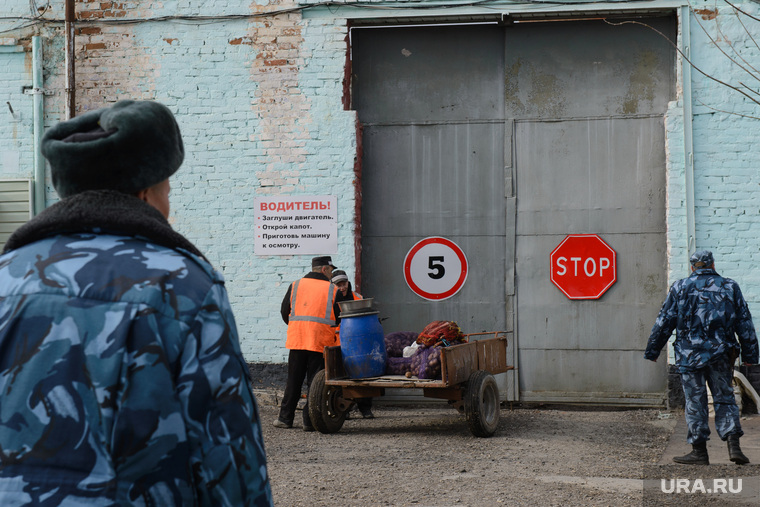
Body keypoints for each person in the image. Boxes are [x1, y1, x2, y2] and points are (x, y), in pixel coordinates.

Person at [0, 100, 273, 505]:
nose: (169, 205)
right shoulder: (182, 286)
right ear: (145, 194)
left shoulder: (6, 276)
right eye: (167, 189)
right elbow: (225, 449)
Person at [645, 250, 759, 465]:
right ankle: (734, 446)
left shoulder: (680, 287)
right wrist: (751, 356)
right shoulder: (730, 286)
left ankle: (699, 452)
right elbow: (744, 322)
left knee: (694, 401)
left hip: (690, 355)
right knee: (725, 398)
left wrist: (653, 351)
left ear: (692, 267)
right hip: (722, 354)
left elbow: (665, 321)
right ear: (712, 264)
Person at [276, 255, 342, 431]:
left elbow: (284, 311)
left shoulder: (296, 285)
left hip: (297, 340)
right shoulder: (332, 289)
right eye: (331, 270)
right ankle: (309, 421)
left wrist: (299, 327)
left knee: (293, 380)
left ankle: (285, 418)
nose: (331, 274)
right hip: (320, 342)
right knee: (315, 383)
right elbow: (340, 316)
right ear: (324, 269)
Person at [331, 269, 374, 419]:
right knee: (341, 378)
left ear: (348, 283)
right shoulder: (330, 300)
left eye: (343, 284)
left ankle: (365, 408)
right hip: (338, 344)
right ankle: (345, 408)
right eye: (338, 285)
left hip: (358, 344)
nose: (342, 287)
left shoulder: (358, 298)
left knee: (363, 375)